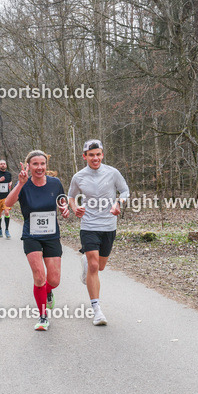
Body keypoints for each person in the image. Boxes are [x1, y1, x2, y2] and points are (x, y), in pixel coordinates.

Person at [67, 139, 130, 326]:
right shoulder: (79, 176)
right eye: (91, 155)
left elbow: (125, 190)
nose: (95, 158)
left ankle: (86, 261)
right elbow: (71, 196)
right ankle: (97, 310)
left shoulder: (112, 173)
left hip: (108, 226)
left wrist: (119, 203)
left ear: (102, 155)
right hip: (88, 225)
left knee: (100, 266)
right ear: (84, 156)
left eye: (98, 154)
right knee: (94, 267)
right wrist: (75, 207)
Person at [4, 150, 69, 331]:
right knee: (39, 277)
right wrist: (20, 184)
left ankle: (47, 291)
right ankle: (42, 316)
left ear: (46, 165)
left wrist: (64, 209)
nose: (39, 168)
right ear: (28, 166)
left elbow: (61, 200)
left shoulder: (55, 183)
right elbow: (8, 203)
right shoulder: (23, 184)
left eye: (42, 164)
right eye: (35, 164)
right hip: (31, 236)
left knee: (54, 281)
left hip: (52, 235)